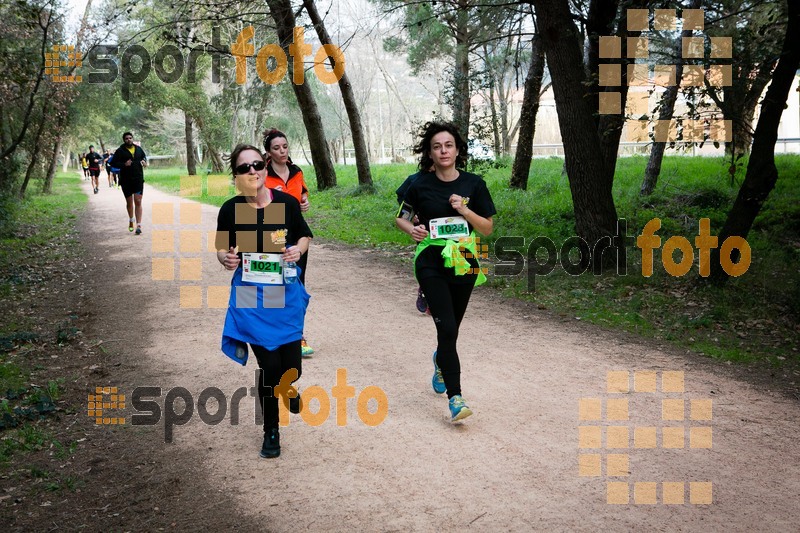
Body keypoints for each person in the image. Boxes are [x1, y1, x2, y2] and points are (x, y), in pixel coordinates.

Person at [216, 143, 313, 458]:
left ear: (265, 166)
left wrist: (298, 249)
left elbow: (304, 235)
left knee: (292, 368)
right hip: (249, 294)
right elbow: (221, 247)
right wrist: (225, 259)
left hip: (283, 293)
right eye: (244, 168)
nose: (252, 172)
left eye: (257, 165)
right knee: (269, 365)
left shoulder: (285, 203)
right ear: (237, 175)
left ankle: (288, 387)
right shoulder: (230, 209)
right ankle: (271, 430)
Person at [395, 121, 496, 422]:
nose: (443, 151)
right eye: (437, 146)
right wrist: (412, 228)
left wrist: (465, 210)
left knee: (452, 328)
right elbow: (401, 217)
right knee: (447, 328)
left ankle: (441, 358)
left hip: (464, 259)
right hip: (430, 260)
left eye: (448, 145)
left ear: (457, 149)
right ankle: (456, 397)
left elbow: (487, 228)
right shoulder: (418, 183)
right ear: (430, 151)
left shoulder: (473, 184)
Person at [262, 128, 315, 357]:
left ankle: (298, 336)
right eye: (276, 148)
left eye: (284, 146)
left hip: (297, 232)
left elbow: (302, 194)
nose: (282, 151)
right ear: (268, 152)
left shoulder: (296, 172)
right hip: (272, 233)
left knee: (297, 285)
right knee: (275, 285)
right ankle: (276, 334)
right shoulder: (263, 174)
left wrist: (304, 202)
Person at [396, 170, 430, 315]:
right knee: (428, 264)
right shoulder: (415, 179)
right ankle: (425, 290)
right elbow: (402, 198)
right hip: (423, 229)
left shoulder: (455, 178)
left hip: (447, 233)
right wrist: (413, 213)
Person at [112, 132, 148, 234]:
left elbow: (144, 157)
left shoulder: (138, 149)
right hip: (126, 180)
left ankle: (139, 225)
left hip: (138, 179)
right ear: (124, 140)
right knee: (129, 202)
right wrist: (124, 164)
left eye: (130, 138)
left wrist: (144, 162)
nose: (129, 140)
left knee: (138, 201)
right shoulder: (120, 151)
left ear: (133, 139)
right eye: (127, 138)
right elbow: (113, 163)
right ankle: (131, 220)